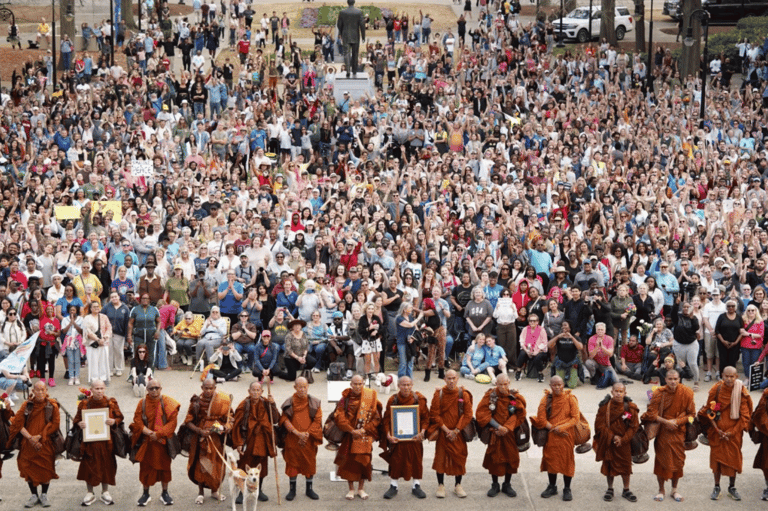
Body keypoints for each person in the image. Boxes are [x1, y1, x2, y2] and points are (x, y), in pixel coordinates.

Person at [697, 366, 752, 501]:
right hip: (717, 433)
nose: (729, 379)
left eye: (732, 376)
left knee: (733, 460)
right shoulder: (717, 389)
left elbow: (745, 417)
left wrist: (731, 432)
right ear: (722, 375)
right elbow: (712, 410)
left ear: (736, 377)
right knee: (716, 461)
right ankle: (717, 486)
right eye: (726, 376)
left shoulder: (741, 392)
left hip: (734, 434)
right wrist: (716, 429)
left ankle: (732, 487)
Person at [641, 369, 695, 502]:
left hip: (678, 431)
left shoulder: (687, 392)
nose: (673, 381)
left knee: (678, 461)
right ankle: (661, 490)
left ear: (679, 379)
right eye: (670, 379)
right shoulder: (659, 393)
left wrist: (676, 422)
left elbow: (691, 414)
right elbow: (651, 413)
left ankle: (674, 490)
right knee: (661, 461)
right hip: (663, 432)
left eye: (675, 379)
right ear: (665, 380)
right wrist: (666, 422)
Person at [8, 381, 60, 509]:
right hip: (28, 442)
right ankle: (33, 495)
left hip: (45, 442)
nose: (40, 393)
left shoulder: (52, 405)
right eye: (38, 390)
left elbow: (55, 424)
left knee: (46, 468)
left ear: (47, 390)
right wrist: (30, 437)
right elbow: (17, 423)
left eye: (43, 390)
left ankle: (44, 495)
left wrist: (40, 436)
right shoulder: (27, 405)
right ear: (33, 391)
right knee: (29, 468)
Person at [129, 379, 180, 506]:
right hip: (147, 441)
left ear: (161, 388)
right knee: (145, 468)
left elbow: (172, 422)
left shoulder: (167, 402)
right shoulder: (142, 403)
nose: (154, 390)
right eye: (151, 388)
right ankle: (145, 494)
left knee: (165, 468)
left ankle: (165, 493)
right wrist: (149, 433)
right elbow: (137, 420)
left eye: (157, 388)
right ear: (147, 389)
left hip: (162, 442)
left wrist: (158, 434)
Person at [182, 378, 233, 504]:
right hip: (200, 439)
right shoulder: (196, 402)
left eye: (211, 388)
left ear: (215, 388)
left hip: (216, 438)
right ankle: (200, 493)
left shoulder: (223, 400)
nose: (208, 390)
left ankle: (215, 491)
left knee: (216, 464)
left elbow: (230, 418)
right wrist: (199, 431)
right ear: (202, 388)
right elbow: (188, 421)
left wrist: (227, 427)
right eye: (206, 388)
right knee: (201, 465)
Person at [475, 373, 526, 498]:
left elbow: (520, 414)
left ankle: (507, 484)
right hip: (495, 433)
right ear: (496, 384)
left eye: (505, 384)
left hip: (510, 434)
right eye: (500, 384)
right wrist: (498, 427)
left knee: (511, 459)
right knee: (494, 459)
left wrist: (507, 428)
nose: (503, 387)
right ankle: (495, 484)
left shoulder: (514, 397)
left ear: (509, 383)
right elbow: (482, 414)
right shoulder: (491, 396)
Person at [333, 374, 382, 500]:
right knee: (349, 463)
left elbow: (376, 418)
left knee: (364, 462)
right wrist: (351, 430)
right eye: (355, 384)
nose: (358, 386)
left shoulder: (370, 397)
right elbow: (339, 417)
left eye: (360, 384)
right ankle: (351, 489)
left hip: (364, 435)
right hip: (350, 435)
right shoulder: (345, 399)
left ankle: (361, 489)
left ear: (364, 383)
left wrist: (364, 429)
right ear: (351, 384)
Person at [74, 379, 123, 506]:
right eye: (96, 388)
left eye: (101, 388)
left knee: (106, 466)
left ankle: (105, 491)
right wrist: (80, 424)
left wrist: (114, 421)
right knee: (88, 467)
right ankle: (90, 492)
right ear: (91, 389)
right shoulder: (85, 404)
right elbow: (76, 419)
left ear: (105, 389)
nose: (99, 391)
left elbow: (120, 417)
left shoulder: (110, 403)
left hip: (107, 442)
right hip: (89, 443)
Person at [530, 375, 580, 501]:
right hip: (552, 435)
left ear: (563, 385)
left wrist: (563, 427)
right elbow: (541, 419)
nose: (557, 387)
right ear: (550, 386)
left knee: (567, 461)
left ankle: (567, 488)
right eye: (554, 385)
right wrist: (554, 429)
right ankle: (552, 486)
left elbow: (575, 418)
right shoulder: (546, 399)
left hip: (567, 435)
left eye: (559, 384)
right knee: (551, 460)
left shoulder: (570, 398)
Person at [428, 369, 474, 498]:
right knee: (440, 459)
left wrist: (457, 430)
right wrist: (447, 430)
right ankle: (441, 485)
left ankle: (458, 485)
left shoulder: (462, 394)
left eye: (454, 378)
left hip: (458, 433)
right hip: (444, 432)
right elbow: (434, 414)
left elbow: (468, 414)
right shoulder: (439, 394)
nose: (451, 381)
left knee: (459, 457)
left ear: (458, 378)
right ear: (444, 379)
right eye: (449, 378)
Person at [381, 376, 429, 499]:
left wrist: (422, 432)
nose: (406, 387)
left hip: (414, 438)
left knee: (416, 461)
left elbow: (425, 418)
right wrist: (388, 435)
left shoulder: (419, 399)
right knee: (396, 461)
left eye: (408, 385)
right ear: (398, 386)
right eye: (403, 385)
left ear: (412, 385)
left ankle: (416, 486)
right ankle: (393, 486)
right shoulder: (393, 399)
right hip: (398, 438)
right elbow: (386, 420)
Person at [232, 381, 279, 503]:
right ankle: (242, 492)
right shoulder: (244, 405)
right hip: (248, 439)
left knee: (261, 466)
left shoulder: (266, 403)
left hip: (263, 440)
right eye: (253, 390)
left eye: (258, 390)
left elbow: (276, 419)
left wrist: (273, 404)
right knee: (244, 465)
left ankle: (259, 490)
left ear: (262, 392)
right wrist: (238, 443)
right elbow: (236, 424)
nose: (256, 392)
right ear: (249, 391)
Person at [593, 382, 640, 502]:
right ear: (612, 392)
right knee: (609, 465)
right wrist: (613, 437)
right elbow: (599, 426)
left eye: (621, 391)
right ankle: (610, 488)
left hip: (624, 443)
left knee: (626, 466)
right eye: (616, 391)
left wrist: (623, 439)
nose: (618, 394)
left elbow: (634, 427)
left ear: (625, 393)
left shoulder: (630, 407)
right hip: (609, 442)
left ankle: (626, 489)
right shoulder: (605, 407)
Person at [279, 376, 323, 501]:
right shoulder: (290, 402)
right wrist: (297, 433)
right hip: (293, 439)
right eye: (300, 387)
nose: (302, 390)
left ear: (308, 387)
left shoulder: (314, 402)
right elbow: (284, 419)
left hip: (308, 439)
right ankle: (292, 490)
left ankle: (309, 489)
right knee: (292, 463)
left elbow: (317, 420)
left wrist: (307, 434)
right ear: (295, 387)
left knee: (309, 463)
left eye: (305, 387)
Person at [83, 301, 112, 385]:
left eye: (97, 306)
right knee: (93, 361)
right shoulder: (87, 318)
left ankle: (103, 378)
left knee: (103, 361)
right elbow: (87, 331)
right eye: (94, 306)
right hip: (92, 343)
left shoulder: (104, 317)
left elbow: (109, 328)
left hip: (103, 342)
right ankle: (94, 379)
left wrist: (104, 338)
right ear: (90, 308)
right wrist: (98, 340)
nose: (96, 308)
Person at [128, 294, 161, 369]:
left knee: (151, 354)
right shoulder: (135, 309)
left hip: (151, 335)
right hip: (138, 335)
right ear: (140, 299)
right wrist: (129, 336)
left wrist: (157, 331)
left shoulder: (154, 309)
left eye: (146, 298)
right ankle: (134, 373)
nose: (145, 300)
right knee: (137, 353)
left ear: (149, 300)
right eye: (143, 298)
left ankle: (150, 373)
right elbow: (130, 323)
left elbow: (159, 321)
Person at [102, 291, 130, 377]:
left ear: (119, 297)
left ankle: (119, 369)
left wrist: (126, 337)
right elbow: (101, 318)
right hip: (108, 334)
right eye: (112, 297)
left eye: (115, 296)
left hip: (120, 333)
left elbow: (127, 323)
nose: (114, 298)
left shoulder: (125, 308)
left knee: (119, 351)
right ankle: (110, 369)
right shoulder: (106, 307)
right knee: (109, 352)